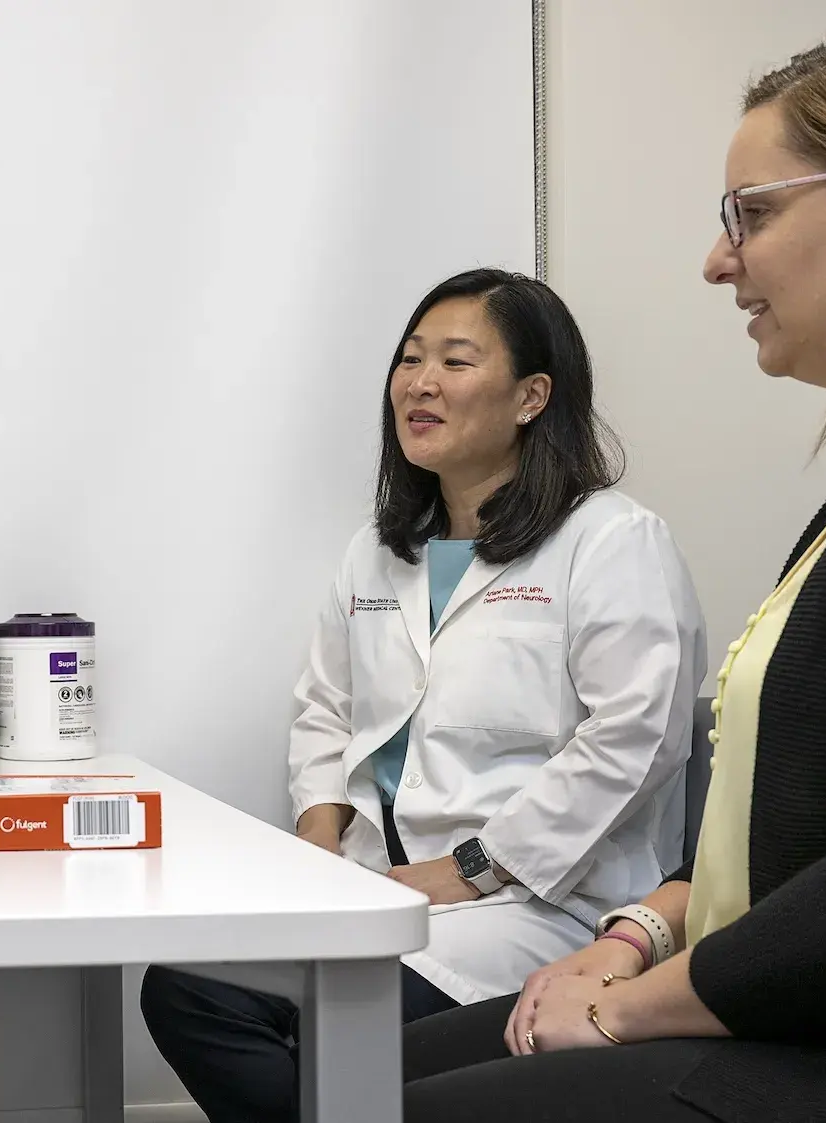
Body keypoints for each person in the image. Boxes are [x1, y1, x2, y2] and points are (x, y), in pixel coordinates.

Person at [399, 14, 826, 1123]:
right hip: (762, 994)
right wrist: (639, 933)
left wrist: (631, 1006)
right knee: (361, 1067)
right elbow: (780, 827)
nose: (716, 259)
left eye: (751, 213)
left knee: (405, 1099)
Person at [141, 268, 707, 1122]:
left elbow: (633, 739)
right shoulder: (379, 550)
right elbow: (325, 710)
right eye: (410, 359)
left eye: (454, 359)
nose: (420, 382)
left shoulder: (609, 540)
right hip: (381, 886)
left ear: (531, 397)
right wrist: (318, 850)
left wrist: (464, 872)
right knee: (188, 987)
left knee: (312, 1030)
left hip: (540, 903)